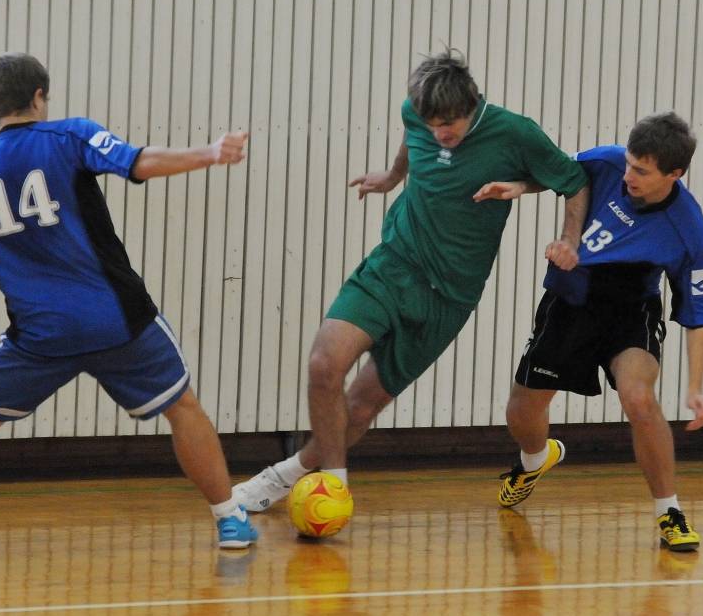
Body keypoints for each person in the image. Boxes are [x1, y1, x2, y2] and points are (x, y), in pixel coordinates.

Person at [0, 53, 258, 560]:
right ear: (40, 97)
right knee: (182, 407)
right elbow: (136, 162)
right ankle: (230, 520)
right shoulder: (70, 136)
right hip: (117, 320)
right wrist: (211, 153)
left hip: (40, 335)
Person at [234, 49, 590, 513]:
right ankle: (334, 488)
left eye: (451, 124)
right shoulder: (416, 115)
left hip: (448, 297)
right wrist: (393, 175)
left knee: (361, 406)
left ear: (474, 103)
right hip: (393, 265)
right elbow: (411, 137)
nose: (441, 133)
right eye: (432, 123)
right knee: (324, 364)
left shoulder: (515, 134)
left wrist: (568, 239)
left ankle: (288, 474)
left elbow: (574, 179)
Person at [493, 112, 703, 552]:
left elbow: (698, 312)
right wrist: (519, 187)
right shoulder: (609, 162)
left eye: (642, 171)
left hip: (631, 308)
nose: (628, 174)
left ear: (675, 174)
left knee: (638, 397)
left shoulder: (689, 230)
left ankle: (668, 510)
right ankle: (535, 459)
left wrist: (695, 387)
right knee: (521, 412)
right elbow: (560, 172)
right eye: (630, 163)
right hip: (571, 299)